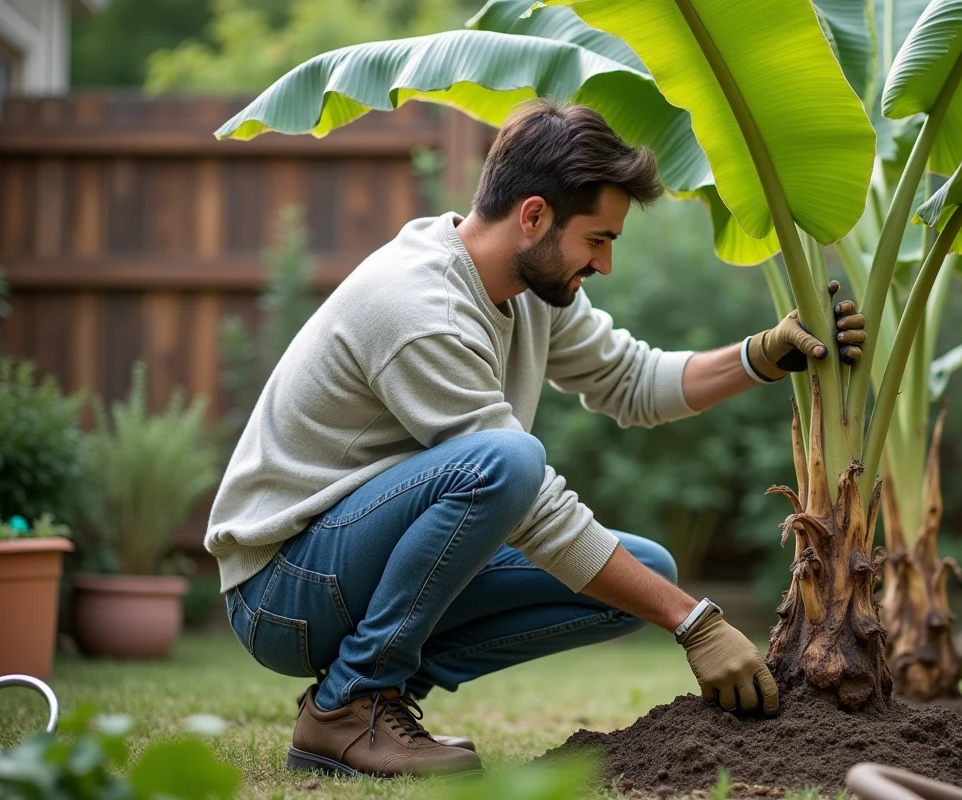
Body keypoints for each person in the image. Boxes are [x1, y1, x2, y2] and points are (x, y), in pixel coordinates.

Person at [205, 99, 867, 779]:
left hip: (351, 566)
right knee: (509, 462)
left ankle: (379, 695)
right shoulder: (419, 307)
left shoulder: (530, 290)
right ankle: (350, 704)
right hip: (281, 588)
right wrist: (694, 622)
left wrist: (762, 354)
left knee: (643, 575)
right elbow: (527, 502)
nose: (605, 263)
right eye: (598, 239)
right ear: (534, 216)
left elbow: (632, 381)